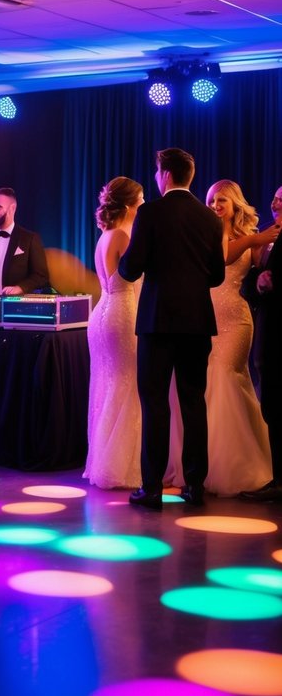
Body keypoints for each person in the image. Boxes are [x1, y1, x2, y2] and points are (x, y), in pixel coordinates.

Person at [118, 148, 225, 510]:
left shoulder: (150, 213)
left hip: (158, 321)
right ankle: (194, 486)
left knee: (155, 403)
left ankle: (152, 489)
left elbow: (131, 269)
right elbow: (217, 275)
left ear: (164, 174)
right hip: (197, 322)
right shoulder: (210, 219)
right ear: (190, 176)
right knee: (194, 402)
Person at [166, 181, 277, 496]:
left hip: (236, 320)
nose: (215, 204)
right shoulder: (205, 235)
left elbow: (258, 269)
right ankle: (203, 466)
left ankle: (237, 465)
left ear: (235, 204)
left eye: (222, 200)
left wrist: (262, 276)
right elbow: (223, 257)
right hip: (203, 316)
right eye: (212, 199)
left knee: (226, 378)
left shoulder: (250, 239)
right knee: (203, 386)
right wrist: (257, 238)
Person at [83, 177, 144, 489]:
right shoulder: (121, 235)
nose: (144, 204)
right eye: (142, 199)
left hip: (101, 314)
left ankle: (104, 459)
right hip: (122, 312)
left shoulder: (104, 235)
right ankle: (122, 465)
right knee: (128, 381)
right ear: (131, 203)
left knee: (110, 382)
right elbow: (136, 273)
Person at [241, 183, 282, 503]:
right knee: (271, 405)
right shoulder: (267, 239)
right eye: (274, 199)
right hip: (269, 333)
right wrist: (260, 283)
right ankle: (276, 476)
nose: (275, 204)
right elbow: (252, 289)